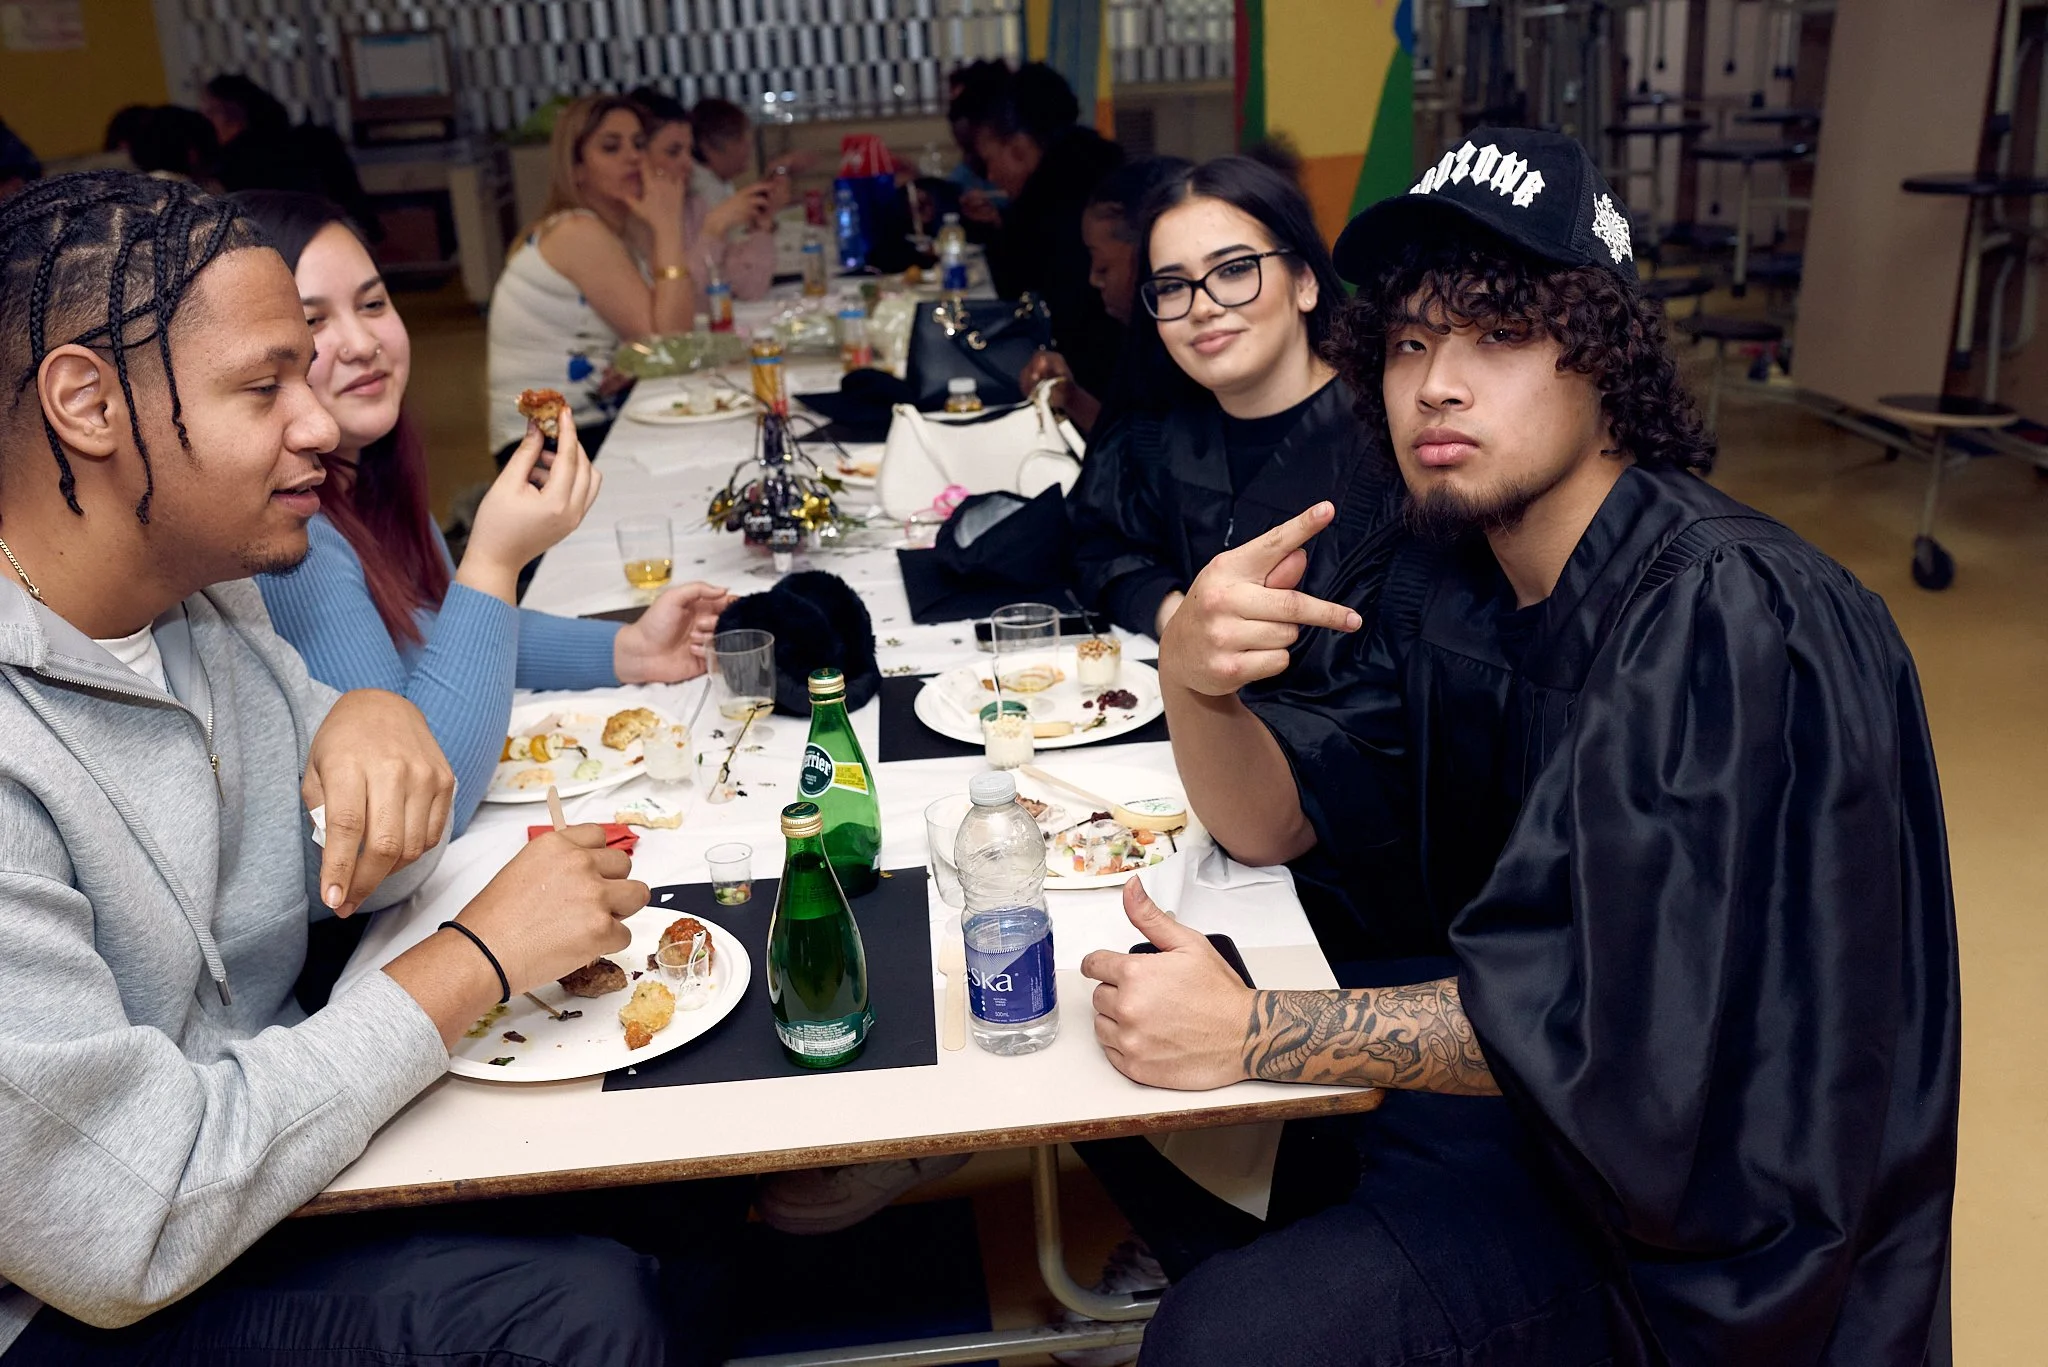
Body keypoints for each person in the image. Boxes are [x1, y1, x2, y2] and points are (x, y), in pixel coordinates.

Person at [1080, 130, 1959, 1364]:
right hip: (1532, 1133)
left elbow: (1612, 1028)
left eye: (1495, 334)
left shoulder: (1725, 613)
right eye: (1408, 341)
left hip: (1700, 1237)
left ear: (1601, 362)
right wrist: (1194, 679)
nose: (1435, 383)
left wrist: (1252, 1029)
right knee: (1126, 1112)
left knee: (1227, 1331)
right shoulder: (1451, 581)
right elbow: (1268, 821)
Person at [0, 170, 731, 1365]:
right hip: (82, 1296)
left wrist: (361, 719)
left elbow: (362, 870)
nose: (322, 424)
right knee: (576, 1313)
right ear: (87, 402)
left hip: (255, 1161)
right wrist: (479, 958)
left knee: (676, 1168)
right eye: (263, 385)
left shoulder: (211, 599)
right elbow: (130, 1215)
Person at [236, 191, 729, 837]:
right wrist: (496, 561)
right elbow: (426, 803)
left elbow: (439, 635)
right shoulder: (296, 543)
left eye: (373, 303)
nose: (361, 342)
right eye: (312, 321)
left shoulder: (365, 475)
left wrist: (631, 648)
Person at [1066, 156, 1396, 643]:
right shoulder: (1156, 435)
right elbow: (1097, 549)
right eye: (1173, 286)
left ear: (1304, 282)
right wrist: (1176, 619)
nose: (1202, 307)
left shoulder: (1390, 445)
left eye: (1235, 269)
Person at [487, 95, 693, 463]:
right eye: (611, 148)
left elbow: (673, 331)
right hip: (540, 446)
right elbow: (672, 347)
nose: (633, 157)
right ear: (576, 168)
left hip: (583, 424)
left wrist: (636, 356)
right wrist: (669, 226)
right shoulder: (578, 231)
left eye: (639, 145)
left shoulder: (620, 229)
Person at [956, 63, 1125, 397]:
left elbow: (1019, 294)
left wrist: (999, 234)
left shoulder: (1056, 201)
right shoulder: (1097, 166)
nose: (989, 176)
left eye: (990, 161)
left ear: (1019, 148)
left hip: (1095, 383)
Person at [1016, 155, 1191, 436]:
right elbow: (1130, 443)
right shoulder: (1137, 339)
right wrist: (1071, 396)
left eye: (1103, 265)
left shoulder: (1183, 356)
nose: (1094, 279)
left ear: (1147, 254)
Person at [629, 87, 776, 300]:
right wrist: (712, 230)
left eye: (689, 151)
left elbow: (747, 289)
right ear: (636, 158)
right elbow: (683, 302)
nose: (688, 164)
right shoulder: (627, 222)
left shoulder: (693, 205)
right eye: (673, 152)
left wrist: (762, 228)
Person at [200, 74, 373, 229]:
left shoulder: (231, 165)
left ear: (233, 113)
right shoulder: (315, 140)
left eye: (210, 112)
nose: (204, 121)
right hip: (344, 233)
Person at [685, 95, 806, 216]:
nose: (748, 146)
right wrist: (770, 210)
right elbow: (733, 231)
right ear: (710, 145)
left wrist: (768, 190)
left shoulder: (716, 180)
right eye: (739, 138)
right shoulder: (701, 190)